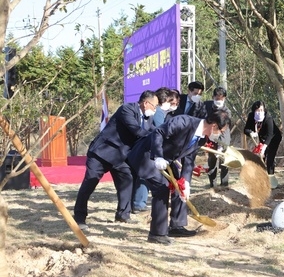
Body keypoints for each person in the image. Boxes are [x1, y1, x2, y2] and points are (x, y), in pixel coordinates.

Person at [127, 111, 231, 245]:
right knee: (162, 189)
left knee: (178, 187)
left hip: (167, 160)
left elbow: (189, 161)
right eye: (221, 131)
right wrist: (158, 156)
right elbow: (159, 133)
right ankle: (157, 234)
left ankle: (176, 225)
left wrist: (185, 182)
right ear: (214, 126)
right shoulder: (183, 121)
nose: (220, 135)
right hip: (148, 155)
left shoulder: (202, 138)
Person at [73, 90, 159, 230]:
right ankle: (79, 218)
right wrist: (154, 138)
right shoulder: (127, 109)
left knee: (127, 179)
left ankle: (123, 215)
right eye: (154, 106)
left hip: (120, 157)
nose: (155, 110)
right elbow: (136, 131)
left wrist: (164, 136)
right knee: (90, 183)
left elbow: (155, 131)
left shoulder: (148, 118)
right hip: (102, 153)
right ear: (146, 103)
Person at [132, 87, 180, 213]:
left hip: (155, 148)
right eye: (171, 102)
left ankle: (141, 202)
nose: (172, 105)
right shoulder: (158, 112)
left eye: (175, 103)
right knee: (145, 175)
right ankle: (139, 203)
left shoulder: (165, 113)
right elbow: (158, 131)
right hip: (150, 148)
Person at [202, 87, 232, 187]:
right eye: (217, 99)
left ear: (225, 99)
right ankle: (212, 185)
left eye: (221, 99)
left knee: (224, 161)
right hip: (210, 136)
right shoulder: (206, 106)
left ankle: (224, 184)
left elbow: (225, 129)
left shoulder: (227, 111)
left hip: (223, 136)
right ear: (213, 97)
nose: (219, 101)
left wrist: (221, 145)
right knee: (212, 161)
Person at [243, 100, 282, 175]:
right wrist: (251, 132)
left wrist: (264, 147)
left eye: (261, 110)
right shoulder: (251, 116)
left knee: (270, 158)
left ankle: (270, 176)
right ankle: (260, 175)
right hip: (261, 137)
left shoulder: (268, 118)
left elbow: (270, 134)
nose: (259, 112)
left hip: (273, 139)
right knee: (260, 158)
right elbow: (246, 129)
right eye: (258, 110)